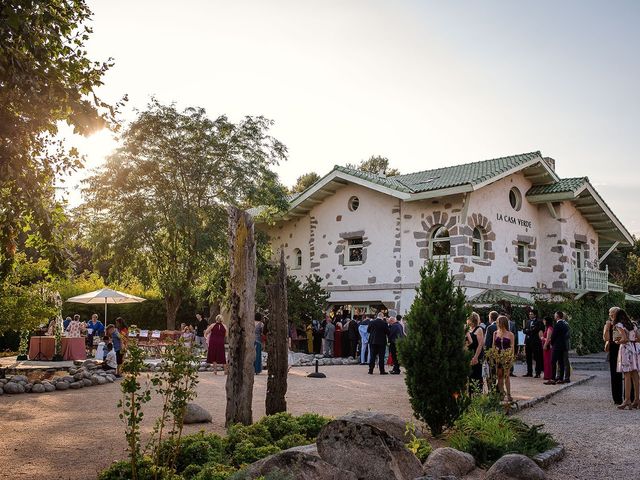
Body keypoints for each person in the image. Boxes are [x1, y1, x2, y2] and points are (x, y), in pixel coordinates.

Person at [614, 309, 640, 409]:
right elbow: (639, 337)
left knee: (627, 375)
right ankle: (637, 399)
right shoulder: (633, 324)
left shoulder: (619, 325)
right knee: (635, 374)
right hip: (635, 349)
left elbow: (624, 339)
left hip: (626, 349)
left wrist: (617, 342)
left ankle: (627, 400)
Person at [603, 307, 623, 405]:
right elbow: (606, 338)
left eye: (612, 313)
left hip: (623, 348)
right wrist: (607, 328)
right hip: (614, 350)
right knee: (615, 375)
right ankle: (617, 398)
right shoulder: (608, 324)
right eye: (610, 313)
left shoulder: (622, 324)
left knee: (629, 374)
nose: (610, 315)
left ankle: (630, 397)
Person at [493, 315, 515, 402]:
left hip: (506, 356)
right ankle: (502, 394)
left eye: (499, 322)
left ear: (504, 323)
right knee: (499, 376)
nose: (498, 324)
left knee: (506, 376)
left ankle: (509, 394)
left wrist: (510, 357)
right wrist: (494, 355)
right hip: (497, 357)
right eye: (497, 322)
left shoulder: (510, 334)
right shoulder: (495, 333)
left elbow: (512, 346)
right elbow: (493, 345)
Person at [546, 311, 570, 385]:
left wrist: (552, 343)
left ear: (557, 316)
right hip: (563, 346)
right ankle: (560, 378)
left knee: (553, 361)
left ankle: (553, 378)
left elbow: (553, 335)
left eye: (555, 315)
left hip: (557, 346)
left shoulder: (557, 325)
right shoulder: (565, 325)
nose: (554, 316)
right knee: (561, 362)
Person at [466, 312, 485, 394]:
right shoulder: (468, 329)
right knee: (470, 375)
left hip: (477, 354)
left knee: (477, 375)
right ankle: (470, 394)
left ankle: (477, 394)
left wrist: (476, 357)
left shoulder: (479, 329)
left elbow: (480, 344)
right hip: (469, 355)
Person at [523, 310, 543, 378]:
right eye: (529, 314)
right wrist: (528, 331)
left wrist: (529, 331)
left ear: (535, 315)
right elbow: (524, 330)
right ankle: (529, 372)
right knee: (528, 357)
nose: (530, 315)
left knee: (537, 357)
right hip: (528, 341)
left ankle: (538, 372)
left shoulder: (539, 321)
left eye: (531, 314)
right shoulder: (528, 321)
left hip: (535, 341)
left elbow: (536, 330)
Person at [541, 317, 554, 381]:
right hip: (546, 346)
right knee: (546, 361)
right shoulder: (547, 328)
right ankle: (547, 374)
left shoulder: (549, 328)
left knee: (548, 361)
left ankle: (548, 375)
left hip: (548, 347)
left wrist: (544, 343)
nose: (543, 322)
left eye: (544, 320)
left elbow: (549, 339)